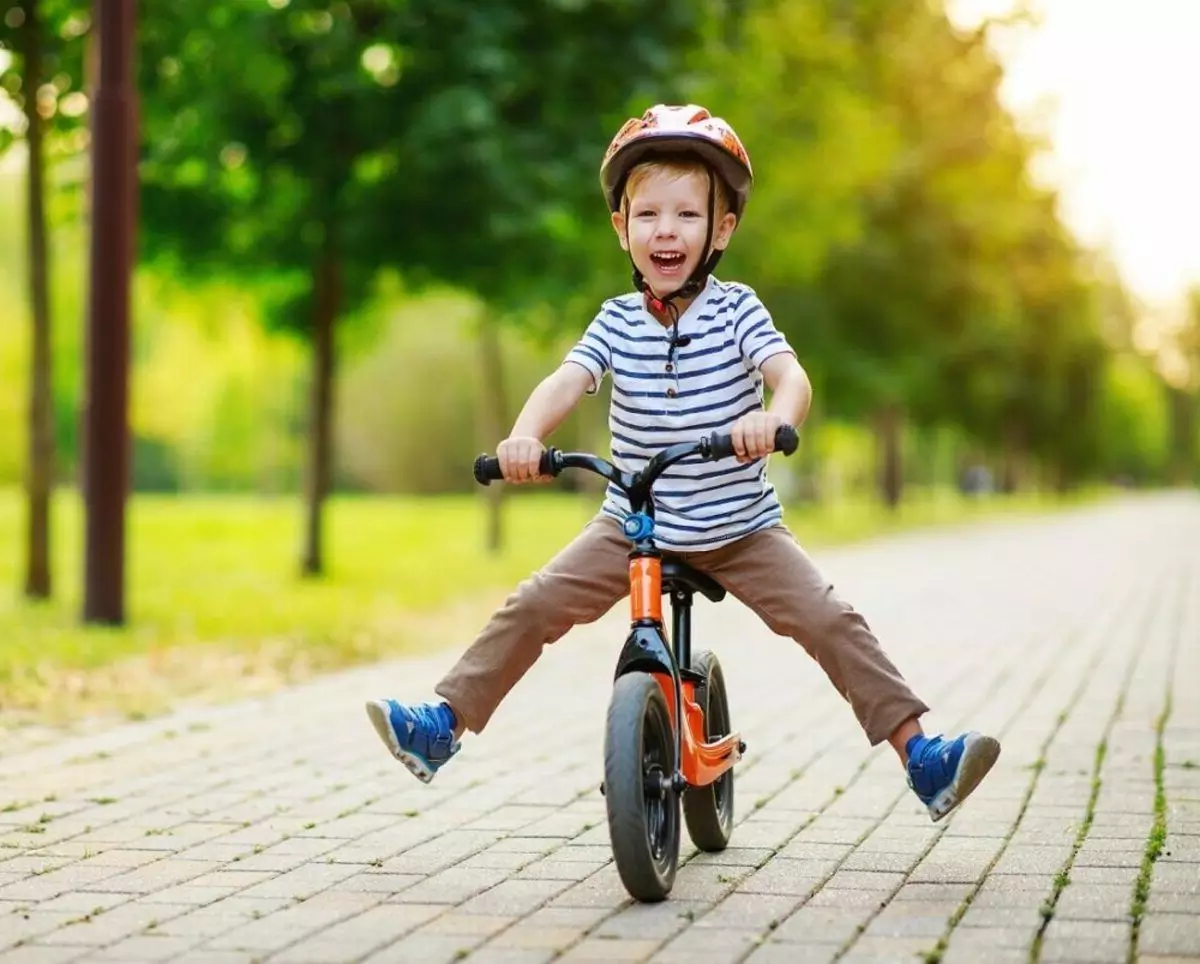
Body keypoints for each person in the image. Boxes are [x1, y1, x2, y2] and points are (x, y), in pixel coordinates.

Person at [366, 105, 1000, 822]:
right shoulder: (614, 321)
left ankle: (922, 757)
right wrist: (522, 436)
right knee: (535, 602)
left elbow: (792, 379)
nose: (665, 231)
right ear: (622, 228)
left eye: (686, 216)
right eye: (648, 216)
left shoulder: (737, 312)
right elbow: (565, 382)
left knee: (829, 619)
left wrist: (773, 419)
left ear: (720, 229)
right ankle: (443, 726)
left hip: (740, 527)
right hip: (632, 524)